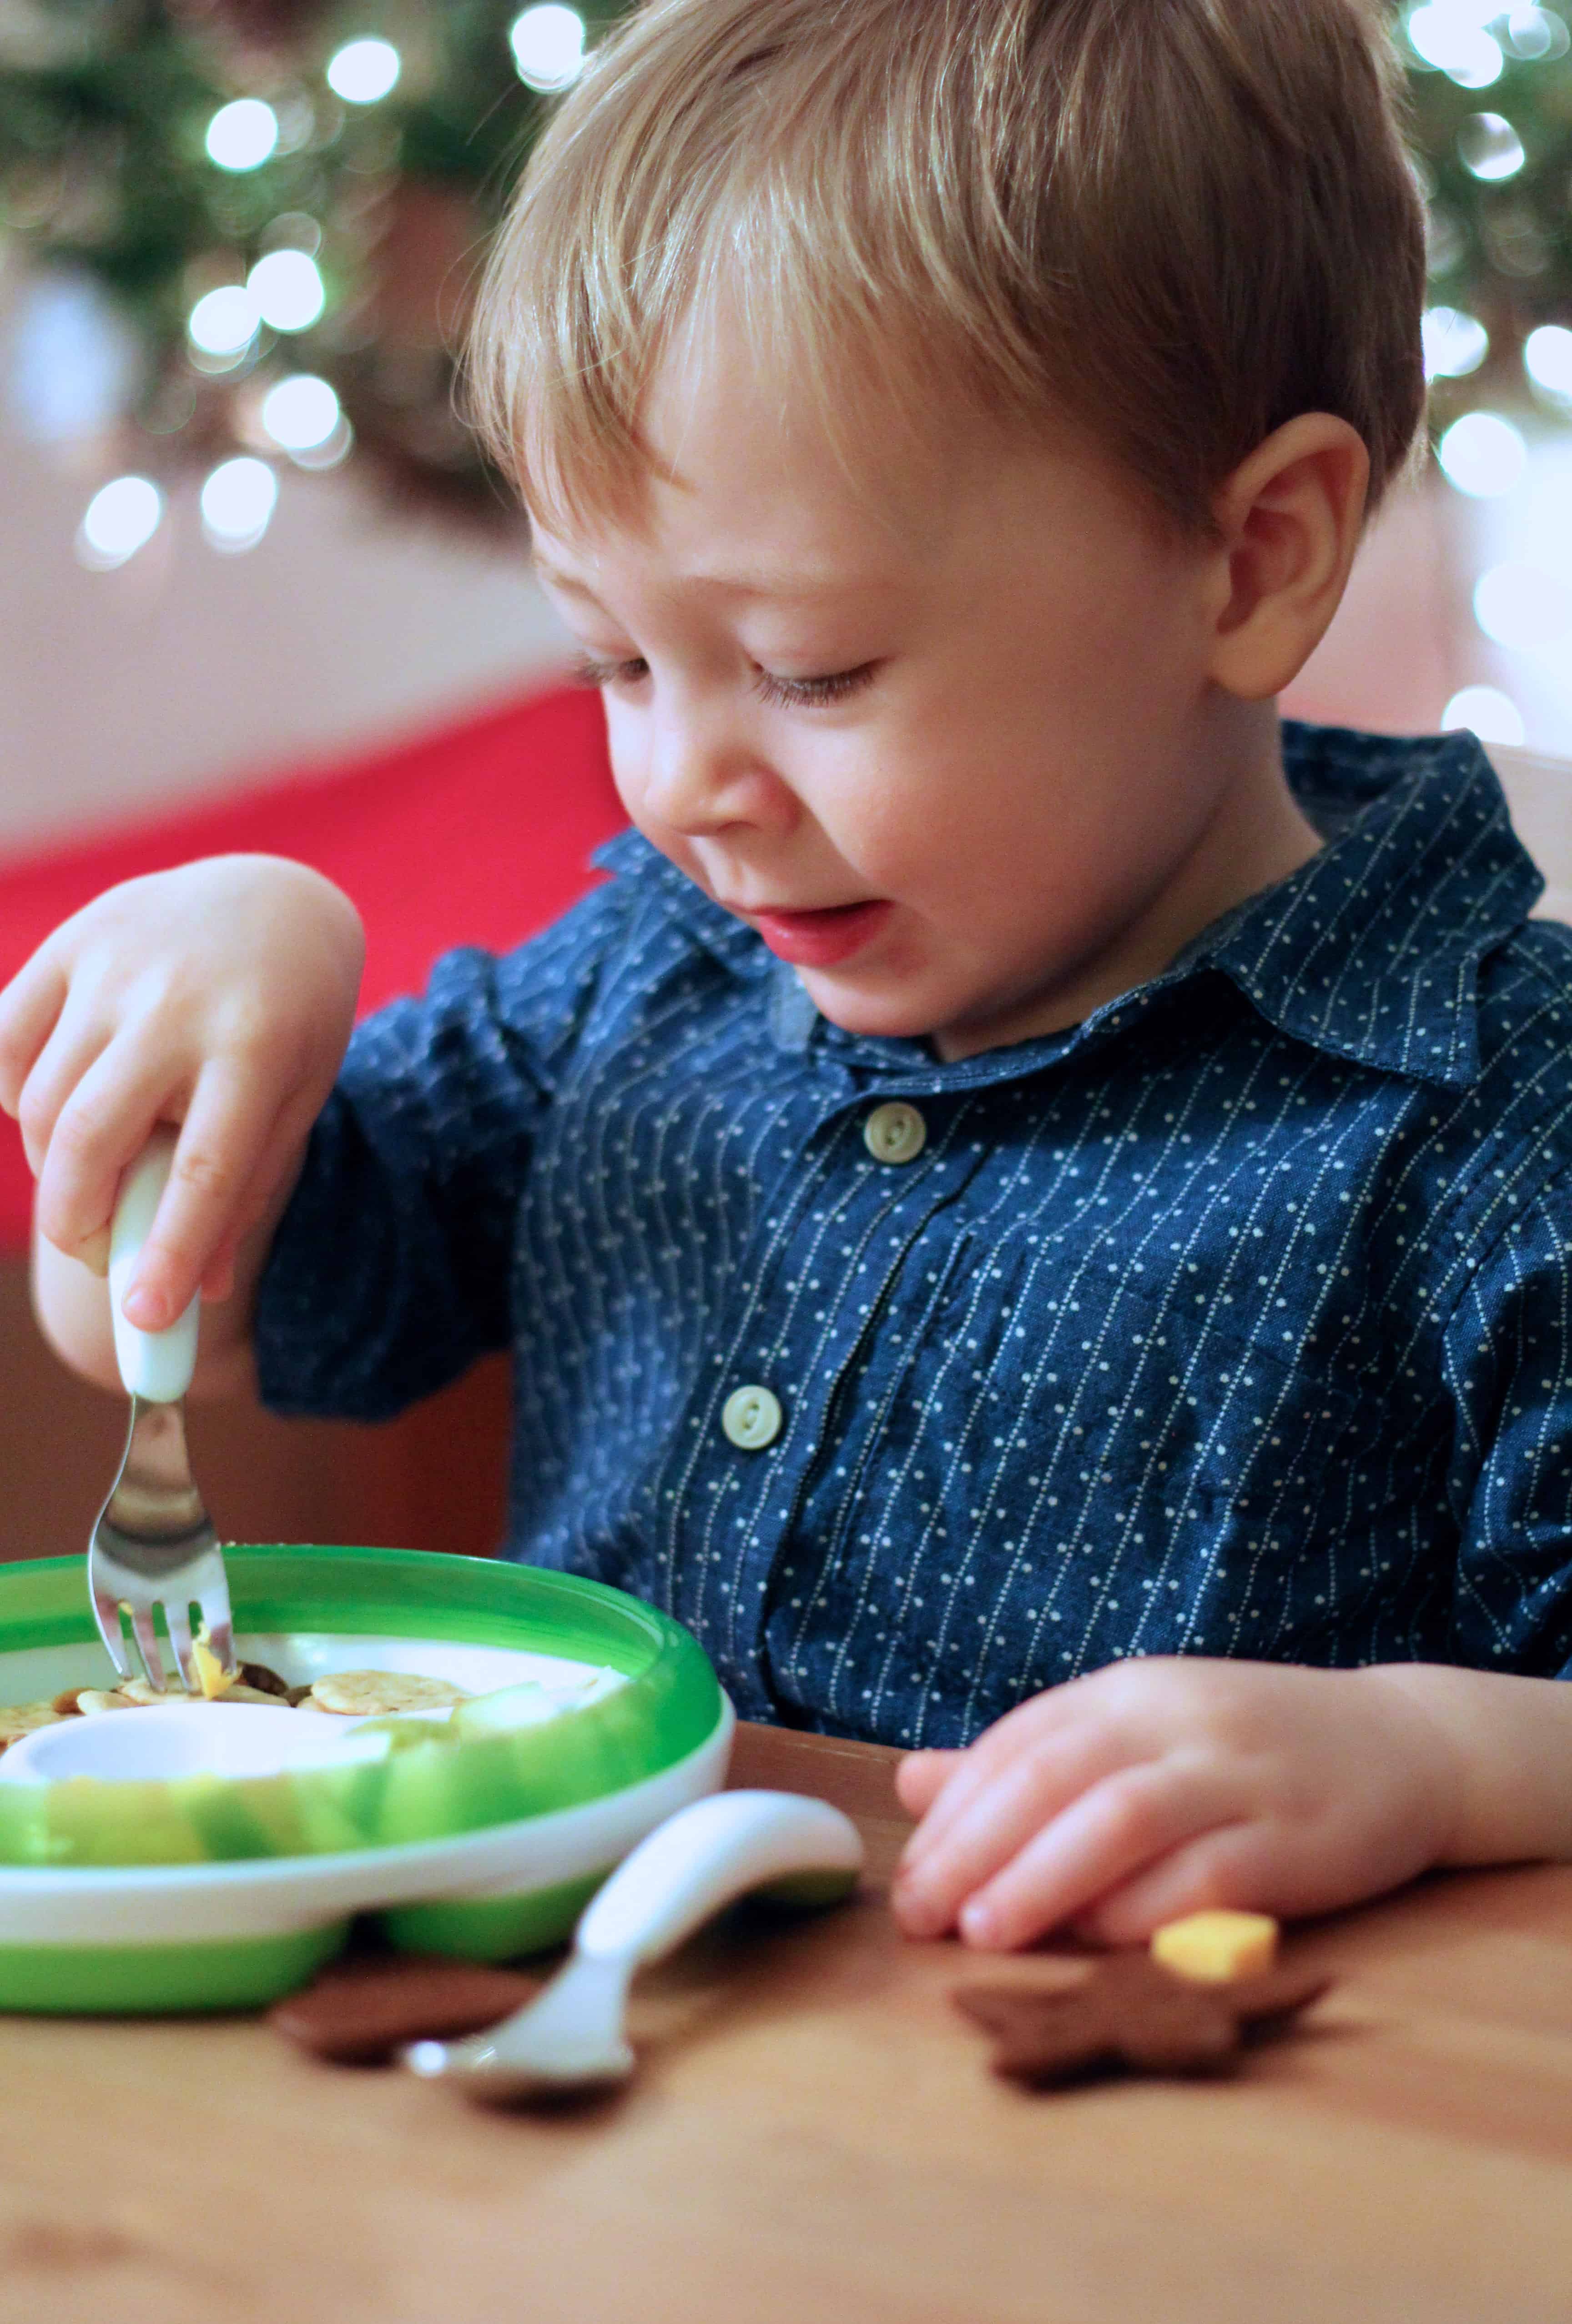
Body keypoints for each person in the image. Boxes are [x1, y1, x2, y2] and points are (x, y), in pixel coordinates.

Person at [5, 0, 1572, 1956]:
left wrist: (1428, 1761)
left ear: (1251, 559)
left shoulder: (1500, 1120)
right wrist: (236, 963)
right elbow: (174, 1326)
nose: (681, 788)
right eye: (617, 662)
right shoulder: (644, 979)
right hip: (595, 2096)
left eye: (812, 670)